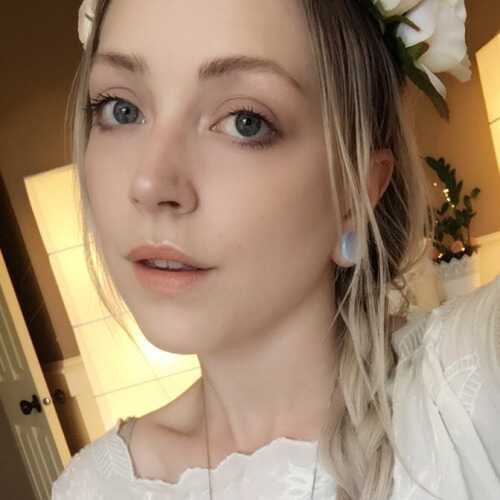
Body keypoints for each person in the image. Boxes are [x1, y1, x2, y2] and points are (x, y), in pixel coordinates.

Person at [52, 0, 500, 499]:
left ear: (355, 194)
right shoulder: (91, 488)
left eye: (245, 121)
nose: (150, 183)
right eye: (121, 109)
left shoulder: (474, 380)